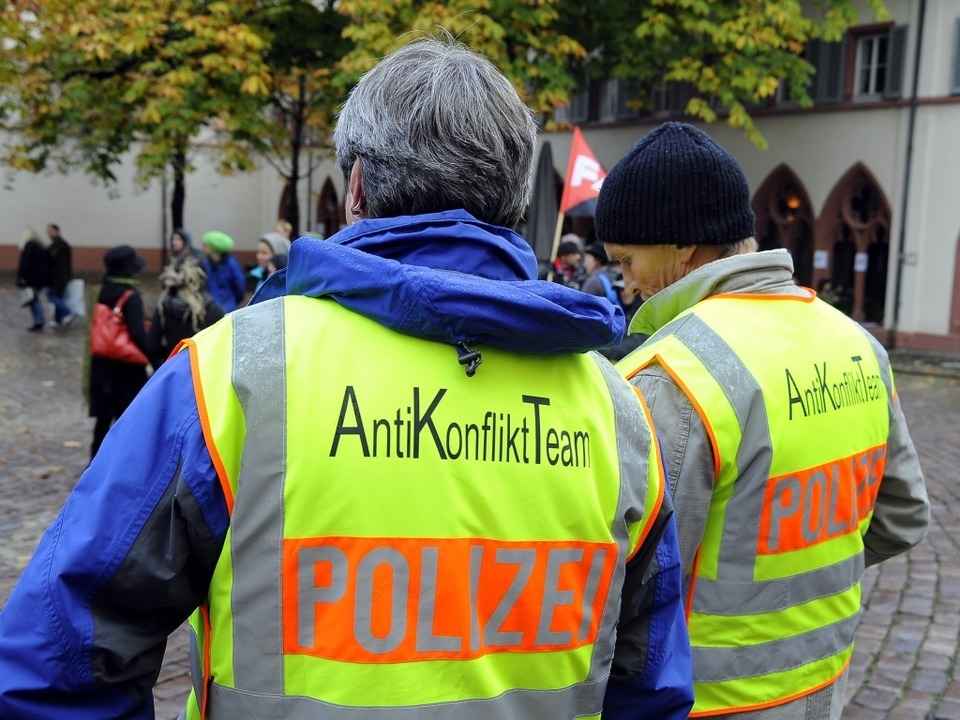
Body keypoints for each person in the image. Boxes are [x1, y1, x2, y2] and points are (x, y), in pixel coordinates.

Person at [0, 40, 693, 720]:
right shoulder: (618, 410)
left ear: (356, 186)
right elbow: (650, 686)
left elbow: (61, 659)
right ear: (513, 203)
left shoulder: (234, 373)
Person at [597, 122, 929, 719]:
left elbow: (628, 596)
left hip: (708, 703)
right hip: (824, 686)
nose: (627, 284)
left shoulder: (669, 376)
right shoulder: (856, 344)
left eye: (627, 259)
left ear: (682, 248)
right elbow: (902, 517)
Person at [88, 245, 150, 458]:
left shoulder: (102, 290)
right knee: (127, 420)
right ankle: (121, 464)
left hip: (102, 366)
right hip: (126, 370)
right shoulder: (130, 296)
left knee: (103, 421)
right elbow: (138, 334)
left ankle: (94, 463)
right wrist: (155, 356)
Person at [147, 258, 224, 368]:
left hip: (173, 371)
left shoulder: (164, 307)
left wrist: (163, 368)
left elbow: (152, 346)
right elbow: (223, 346)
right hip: (202, 374)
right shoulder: (212, 309)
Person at [201, 230, 246, 312]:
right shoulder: (205, 263)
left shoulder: (232, 265)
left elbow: (240, 287)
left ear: (213, 247)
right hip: (210, 307)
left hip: (228, 308)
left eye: (205, 245)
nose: (202, 248)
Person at [15, 228, 50, 332]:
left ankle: (39, 321)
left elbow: (24, 264)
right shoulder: (41, 246)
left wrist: (21, 277)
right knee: (34, 299)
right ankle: (38, 321)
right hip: (40, 279)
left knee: (33, 300)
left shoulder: (29, 246)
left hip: (31, 279)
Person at [45, 223, 75, 327]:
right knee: (58, 297)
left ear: (57, 231)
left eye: (50, 231)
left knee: (51, 297)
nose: (48, 233)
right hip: (60, 276)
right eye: (48, 231)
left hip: (58, 277)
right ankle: (58, 320)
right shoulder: (56, 244)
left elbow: (58, 263)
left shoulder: (60, 245)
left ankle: (68, 312)